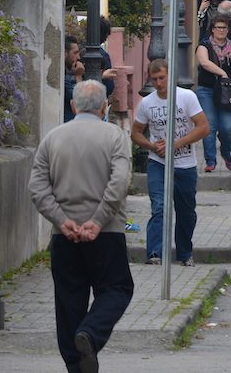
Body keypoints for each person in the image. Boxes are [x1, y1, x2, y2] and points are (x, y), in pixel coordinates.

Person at [29, 79, 133, 373]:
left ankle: (76, 364)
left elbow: (37, 187)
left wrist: (63, 222)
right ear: (104, 106)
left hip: (64, 236)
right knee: (117, 288)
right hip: (107, 232)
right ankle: (91, 332)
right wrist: (97, 221)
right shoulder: (114, 137)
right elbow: (120, 182)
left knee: (68, 300)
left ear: (73, 106)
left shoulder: (53, 138)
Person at [131, 59, 209, 266]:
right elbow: (136, 133)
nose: (158, 83)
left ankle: (184, 253)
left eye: (162, 78)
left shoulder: (186, 97)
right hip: (158, 162)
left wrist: (176, 143)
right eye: (154, 79)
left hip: (185, 163)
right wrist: (151, 146)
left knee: (186, 212)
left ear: (170, 76)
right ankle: (154, 253)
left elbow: (203, 127)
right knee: (159, 206)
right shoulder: (147, 103)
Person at [194, 14, 231, 173]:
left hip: (226, 91)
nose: (221, 30)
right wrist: (222, 73)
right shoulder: (204, 45)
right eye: (218, 28)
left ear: (228, 29)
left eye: (224, 27)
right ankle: (210, 160)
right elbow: (204, 62)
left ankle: (226, 150)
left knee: (227, 126)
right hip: (207, 90)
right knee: (210, 126)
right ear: (213, 29)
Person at [63, 37, 83, 123]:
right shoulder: (61, 77)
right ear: (65, 53)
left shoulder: (71, 72)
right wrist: (78, 76)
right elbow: (81, 102)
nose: (78, 57)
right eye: (75, 53)